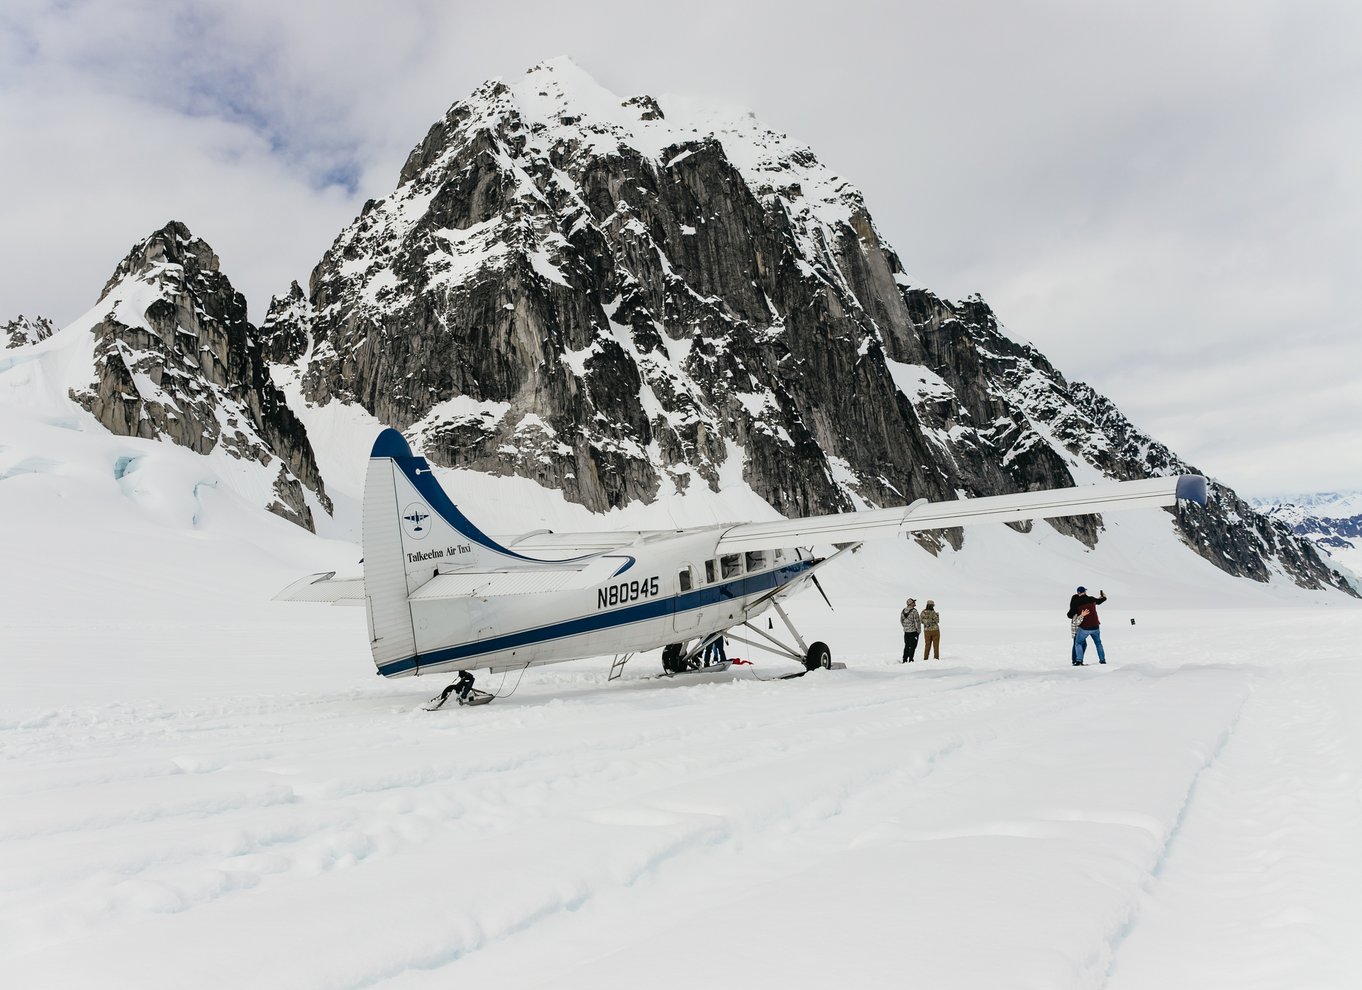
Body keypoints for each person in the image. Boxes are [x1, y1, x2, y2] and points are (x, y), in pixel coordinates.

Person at [1067, 586, 1108, 665]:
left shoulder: (1076, 603)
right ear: (1085, 592)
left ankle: (1078, 660)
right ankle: (1102, 660)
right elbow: (1099, 601)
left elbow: (1069, 615)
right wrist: (1104, 597)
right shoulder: (1092, 599)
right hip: (1095, 626)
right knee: (1098, 643)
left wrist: (1079, 613)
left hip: (1084, 627)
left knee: (1078, 643)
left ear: (1078, 593)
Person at [899, 597, 921, 662]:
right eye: (914, 602)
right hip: (913, 632)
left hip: (906, 631)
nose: (915, 603)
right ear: (911, 603)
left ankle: (904, 659)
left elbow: (901, 620)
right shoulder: (914, 611)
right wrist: (918, 631)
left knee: (906, 646)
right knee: (913, 646)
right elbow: (917, 622)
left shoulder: (903, 610)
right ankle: (911, 659)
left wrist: (905, 627)